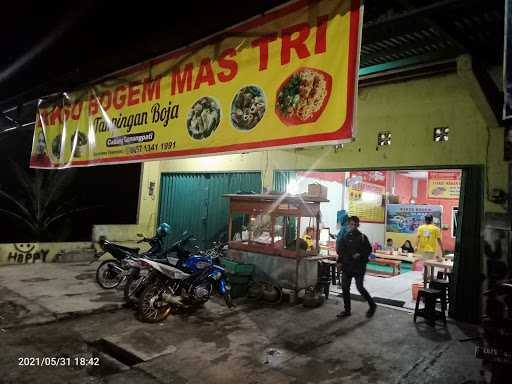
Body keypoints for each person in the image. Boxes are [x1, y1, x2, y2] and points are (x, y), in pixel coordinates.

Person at [336, 216, 376, 318]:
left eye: (354, 224)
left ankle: (372, 305)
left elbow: (368, 250)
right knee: (345, 288)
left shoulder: (362, 237)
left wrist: (360, 254)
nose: (352, 226)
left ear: (357, 225)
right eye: (350, 224)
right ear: (348, 224)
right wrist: (339, 262)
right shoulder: (345, 237)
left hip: (359, 267)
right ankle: (347, 310)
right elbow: (341, 252)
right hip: (347, 267)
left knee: (360, 288)